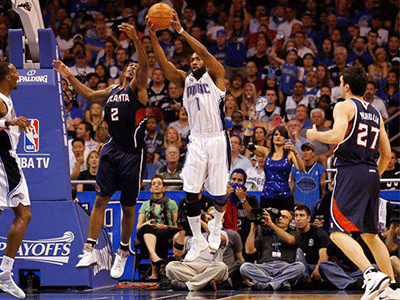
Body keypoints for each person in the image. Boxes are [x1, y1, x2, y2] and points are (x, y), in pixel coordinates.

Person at [53, 22, 149, 279]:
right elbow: (87, 94)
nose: (132, 66)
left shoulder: (139, 90)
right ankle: (89, 248)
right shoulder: (111, 91)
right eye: (130, 65)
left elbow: (145, 65)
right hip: (111, 150)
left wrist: (137, 40)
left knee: (128, 208)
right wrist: (67, 73)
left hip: (133, 153)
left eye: (136, 66)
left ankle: (123, 251)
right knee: (99, 200)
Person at [306, 66, 395, 300]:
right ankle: (391, 289)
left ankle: (370, 274)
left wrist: (314, 136)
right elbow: (386, 155)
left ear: (346, 86)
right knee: (370, 235)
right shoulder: (376, 113)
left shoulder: (344, 106)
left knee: (337, 232)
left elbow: (335, 137)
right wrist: (371, 175)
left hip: (351, 171)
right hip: (372, 172)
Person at [148, 11, 230, 261]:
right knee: (190, 192)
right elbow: (164, 66)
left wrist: (181, 31)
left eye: (197, 59)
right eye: (191, 59)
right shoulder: (185, 80)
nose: (194, 61)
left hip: (216, 138)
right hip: (196, 139)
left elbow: (205, 53)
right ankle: (197, 240)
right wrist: (153, 37)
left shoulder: (216, 75)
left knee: (219, 195)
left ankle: (216, 225)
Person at [0, 62, 33, 299]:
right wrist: (9, 123)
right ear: (5, 78)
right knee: (24, 214)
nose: (17, 74)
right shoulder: (0, 99)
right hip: (5, 162)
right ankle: (4, 273)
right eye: (14, 72)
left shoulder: (5, 100)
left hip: (5, 159)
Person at [244, 121, 305, 212]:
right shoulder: (266, 152)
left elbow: (301, 169)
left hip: (285, 198)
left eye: (281, 135)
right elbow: (246, 142)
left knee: (285, 225)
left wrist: (295, 151)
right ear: (272, 138)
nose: (278, 137)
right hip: (267, 197)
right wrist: (252, 121)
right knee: (265, 224)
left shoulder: (290, 154)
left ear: (285, 138)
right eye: (276, 134)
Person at [240, 209, 304, 291]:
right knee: (244, 267)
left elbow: (291, 240)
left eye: (284, 217)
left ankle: (266, 284)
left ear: (290, 222)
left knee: (300, 267)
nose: (280, 218)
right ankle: (278, 283)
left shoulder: (293, 232)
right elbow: (249, 250)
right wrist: (253, 227)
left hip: (284, 267)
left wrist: (271, 224)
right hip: (265, 267)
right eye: (279, 216)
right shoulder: (265, 233)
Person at [136, 175, 180, 281]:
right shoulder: (146, 205)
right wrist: (147, 223)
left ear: (164, 188)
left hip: (166, 231)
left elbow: (176, 226)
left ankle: (174, 270)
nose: (156, 185)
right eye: (153, 184)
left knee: (177, 234)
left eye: (159, 183)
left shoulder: (172, 203)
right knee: (147, 230)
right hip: (150, 232)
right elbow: (138, 227)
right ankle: (154, 265)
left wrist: (166, 226)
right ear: (150, 189)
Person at [294, 205, 330, 284]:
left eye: (302, 215)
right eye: (296, 215)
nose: (298, 219)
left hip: (313, 266)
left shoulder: (319, 233)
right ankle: (304, 277)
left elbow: (324, 255)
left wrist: (317, 268)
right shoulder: (291, 234)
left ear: (309, 218)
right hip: (297, 268)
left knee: (326, 266)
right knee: (298, 252)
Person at [290, 143, 326, 209]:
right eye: (303, 151)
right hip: (298, 206)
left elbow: (323, 191)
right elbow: (291, 188)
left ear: (313, 153)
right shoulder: (294, 169)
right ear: (301, 153)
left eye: (308, 150)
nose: (305, 153)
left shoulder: (320, 169)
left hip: (314, 206)